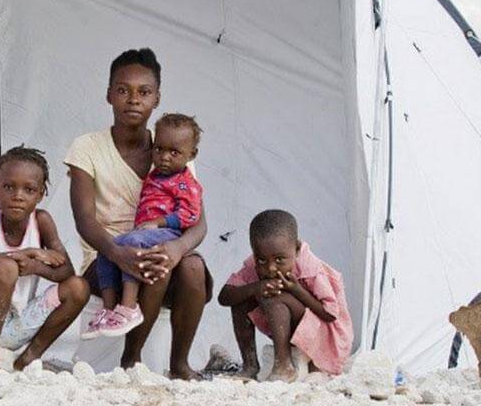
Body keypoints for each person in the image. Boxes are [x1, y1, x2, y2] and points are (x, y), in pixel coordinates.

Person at [65, 48, 212, 380]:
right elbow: (84, 220)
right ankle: (131, 360)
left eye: (144, 92)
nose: (133, 100)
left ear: (157, 98)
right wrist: (119, 254)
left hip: (156, 250)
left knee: (189, 264)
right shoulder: (86, 147)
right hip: (104, 258)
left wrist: (176, 249)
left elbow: (198, 222)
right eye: (123, 90)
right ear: (108, 95)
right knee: (150, 259)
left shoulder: (175, 147)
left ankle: (179, 364)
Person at [0, 146, 90, 371]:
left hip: (17, 326)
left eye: (29, 190)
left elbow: (67, 272)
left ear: (40, 195)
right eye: (9, 187)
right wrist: (26, 254)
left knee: (79, 287)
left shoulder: (42, 221)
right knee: (6, 267)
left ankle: (27, 358)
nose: (17, 196)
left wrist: (36, 266)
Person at [81, 113, 203, 339]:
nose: (165, 157)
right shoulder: (156, 175)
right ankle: (108, 311)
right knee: (108, 249)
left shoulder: (186, 182)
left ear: (191, 155)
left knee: (133, 244)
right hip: (146, 232)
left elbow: (191, 215)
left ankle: (128, 308)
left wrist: (159, 222)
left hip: (167, 233)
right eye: (159, 150)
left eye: (174, 153)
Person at [217, 209, 353, 381]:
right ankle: (250, 365)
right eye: (261, 260)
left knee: (274, 297)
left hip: (326, 337)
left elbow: (330, 314)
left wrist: (296, 290)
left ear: (296, 249)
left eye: (280, 260)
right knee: (241, 298)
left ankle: (283, 366)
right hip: (295, 329)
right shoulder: (256, 265)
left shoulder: (312, 270)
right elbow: (224, 297)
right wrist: (255, 288)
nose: (271, 268)